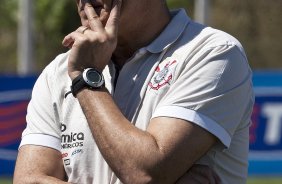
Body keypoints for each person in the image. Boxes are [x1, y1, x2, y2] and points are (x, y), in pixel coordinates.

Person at [14, 0, 254, 183]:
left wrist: (86, 79)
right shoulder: (57, 72)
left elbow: (144, 173)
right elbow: (28, 179)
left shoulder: (213, 53)